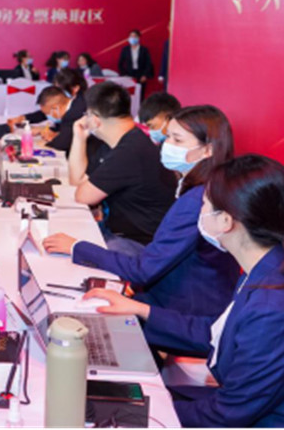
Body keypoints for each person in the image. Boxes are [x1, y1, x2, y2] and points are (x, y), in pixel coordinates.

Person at [85, 155, 284, 427]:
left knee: (113, 410)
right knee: (111, 397)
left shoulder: (274, 307)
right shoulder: (270, 267)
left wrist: (137, 413)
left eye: (203, 205)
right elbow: (219, 333)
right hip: (258, 410)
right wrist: (141, 310)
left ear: (226, 221)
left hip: (275, 420)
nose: (199, 212)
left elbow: (227, 415)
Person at [44, 106, 240, 318]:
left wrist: (76, 247)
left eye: (178, 140)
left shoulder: (197, 200)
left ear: (208, 150)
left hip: (184, 311)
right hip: (174, 290)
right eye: (168, 137)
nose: (167, 145)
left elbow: (144, 269)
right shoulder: (204, 187)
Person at [69, 82, 176, 249]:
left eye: (86, 114)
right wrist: (79, 138)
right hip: (120, 232)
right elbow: (77, 181)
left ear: (95, 120)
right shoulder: (119, 142)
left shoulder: (130, 151)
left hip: (140, 244)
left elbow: (83, 196)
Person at [118, 29, 154, 96]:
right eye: (131, 36)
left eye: (135, 36)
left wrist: (145, 75)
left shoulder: (144, 50)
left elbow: (148, 63)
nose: (133, 38)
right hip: (129, 75)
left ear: (138, 38)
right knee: (128, 95)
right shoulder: (125, 49)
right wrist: (124, 74)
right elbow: (120, 63)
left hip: (141, 76)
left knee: (140, 94)